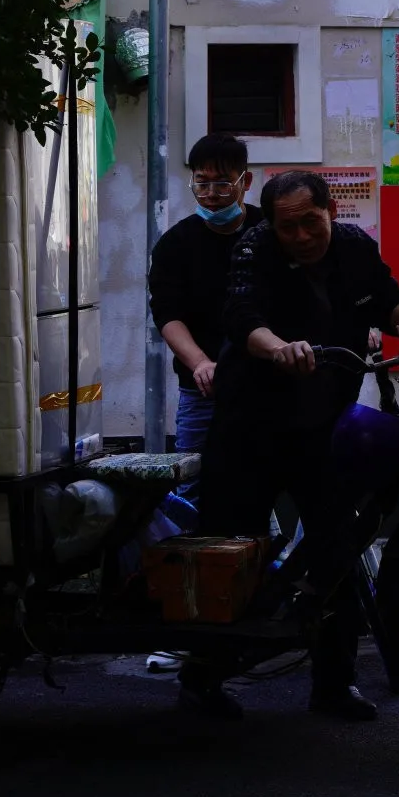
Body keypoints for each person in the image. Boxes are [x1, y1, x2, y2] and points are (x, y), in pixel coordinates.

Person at [179, 170, 399, 723]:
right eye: (287, 226)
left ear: (331, 211)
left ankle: (334, 685)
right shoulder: (254, 247)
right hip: (249, 427)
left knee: (336, 549)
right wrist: (277, 347)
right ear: (272, 224)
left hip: (323, 424)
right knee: (229, 551)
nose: (300, 236)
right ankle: (202, 678)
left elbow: (387, 299)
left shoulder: (355, 246)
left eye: (310, 222)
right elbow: (242, 318)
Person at [145, 132, 262, 673]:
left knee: (264, 488)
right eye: (202, 183)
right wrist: (199, 363)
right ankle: (187, 619)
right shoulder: (176, 245)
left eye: (222, 183)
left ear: (245, 181)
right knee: (192, 495)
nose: (212, 193)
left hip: (266, 390)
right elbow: (168, 316)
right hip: (204, 392)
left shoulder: (268, 233)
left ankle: (258, 603)